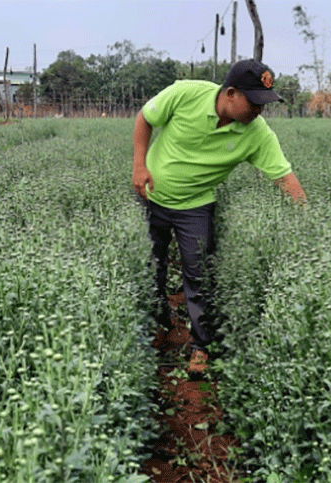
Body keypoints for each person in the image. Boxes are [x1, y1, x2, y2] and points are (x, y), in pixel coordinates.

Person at [132, 59, 307, 375]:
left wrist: (310, 220)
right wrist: (139, 165)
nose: (259, 111)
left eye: (264, 104)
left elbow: (284, 177)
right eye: (254, 103)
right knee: (152, 266)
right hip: (152, 197)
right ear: (230, 94)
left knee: (199, 276)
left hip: (196, 207)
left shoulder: (257, 134)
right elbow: (145, 117)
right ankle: (159, 325)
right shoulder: (186, 93)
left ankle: (200, 347)